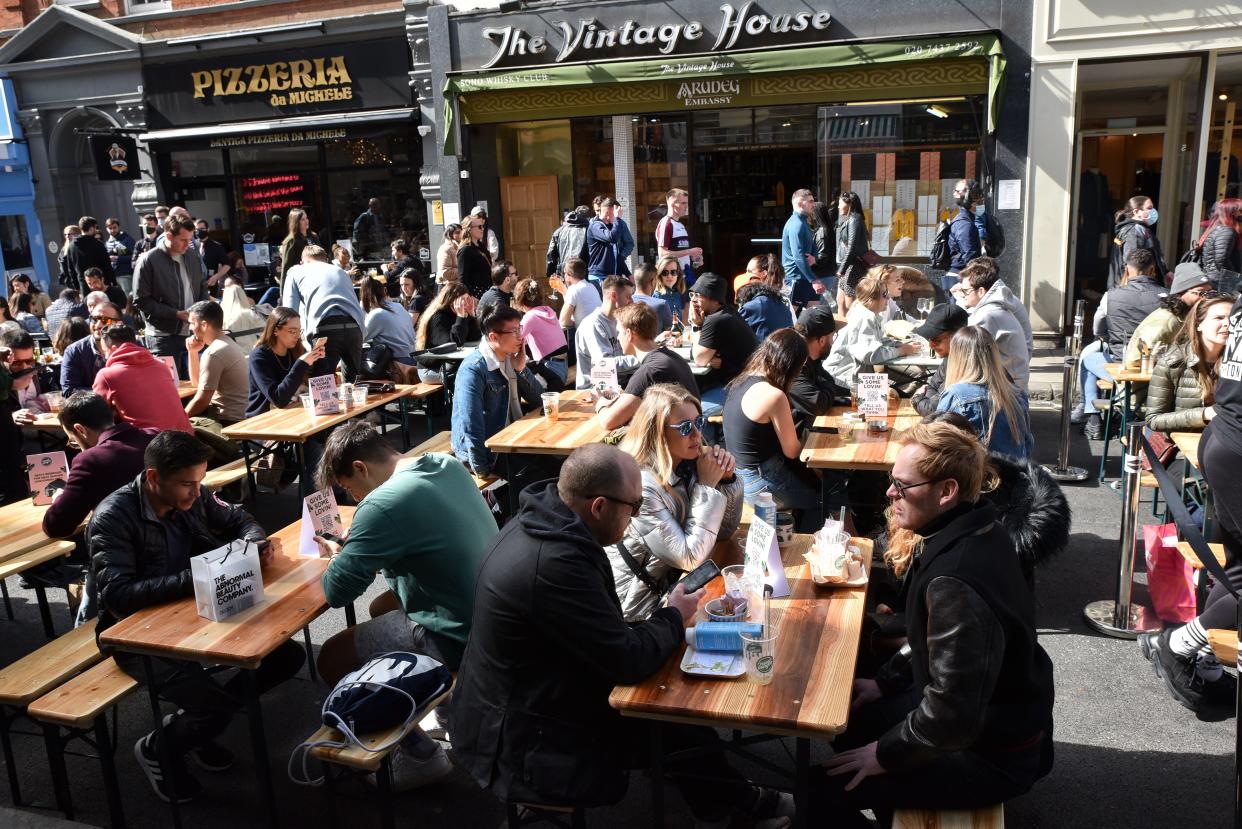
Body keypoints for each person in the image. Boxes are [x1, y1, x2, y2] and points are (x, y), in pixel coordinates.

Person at [451, 443, 793, 826]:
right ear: (598, 506)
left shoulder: (546, 521)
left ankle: (724, 803)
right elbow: (628, 660)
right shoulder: (556, 562)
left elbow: (602, 634)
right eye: (633, 507)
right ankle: (735, 808)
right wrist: (673, 616)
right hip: (520, 734)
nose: (635, 517)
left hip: (517, 694)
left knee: (673, 696)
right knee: (673, 716)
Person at [812, 421, 1054, 825]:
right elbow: (931, 643)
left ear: (946, 491)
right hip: (1000, 722)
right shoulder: (981, 527)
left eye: (903, 486)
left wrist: (885, 754)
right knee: (849, 719)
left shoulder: (954, 581)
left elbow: (950, 716)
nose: (890, 494)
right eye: (892, 481)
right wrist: (885, 683)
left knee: (817, 791)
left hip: (990, 753)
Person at [91, 431, 303, 803]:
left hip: (197, 609)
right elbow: (117, 596)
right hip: (133, 634)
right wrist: (200, 575)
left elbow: (239, 518)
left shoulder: (195, 494)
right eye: (188, 484)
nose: (197, 491)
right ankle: (162, 747)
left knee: (287, 656)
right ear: (154, 478)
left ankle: (197, 730)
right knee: (212, 705)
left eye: (201, 481)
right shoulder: (113, 517)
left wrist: (254, 541)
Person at [311, 422, 497, 787]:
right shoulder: (444, 465)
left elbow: (337, 591)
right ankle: (446, 711)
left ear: (361, 468)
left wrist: (340, 554)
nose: (353, 499)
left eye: (349, 488)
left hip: (457, 632)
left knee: (330, 657)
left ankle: (419, 756)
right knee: (381, 606)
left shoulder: (380, 505)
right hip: (492, 613)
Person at [1141, 286, 1242, 715]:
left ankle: (1183, 645)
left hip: (1222, 448)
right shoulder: (1177, 357)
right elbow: (1152, 417)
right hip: (1216, 452)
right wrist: (1201, 415)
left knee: (1235, 574)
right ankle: (1183, 645)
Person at [608, 383, 742, 621]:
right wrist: (707, 488)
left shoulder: (687, 465)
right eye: (685, 427)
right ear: (658, 431)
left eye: (699, 423)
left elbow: (723, 533)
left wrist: (726, 482)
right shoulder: (642, 486)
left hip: (673, 591)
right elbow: (689, 558)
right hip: (636, 612)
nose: (697, 435)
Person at [725, 329, 829, 531]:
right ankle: (804, 551)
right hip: (761, 481)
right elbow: (792, 450)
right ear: (791, 366)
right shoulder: (774, 395)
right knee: (821, 498)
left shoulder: (739, 381)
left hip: (738, 476)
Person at [1076, 251, 1168, 439]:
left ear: (1127, 269)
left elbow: (1098, 325)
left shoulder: (1112, 295)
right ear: (1152, 270)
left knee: (1087, 360)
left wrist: (1105, 337)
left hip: (1121, 365)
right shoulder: (1167, 296)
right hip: (1155, 368)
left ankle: (1093, 418)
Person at [44, 392, 157, 540]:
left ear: (80, 429)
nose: (76, 445)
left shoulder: (90, 461)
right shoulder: (154, 436)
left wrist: (59, 498)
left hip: (127, 545)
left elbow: (56, 526)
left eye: (73, 441)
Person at [451, 306, 541, 479]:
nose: (520, 336)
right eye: (514, 331)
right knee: (535, 478)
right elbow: (471, 422)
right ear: (493, 337)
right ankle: (495, 502)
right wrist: (481, 467)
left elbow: (538, 399)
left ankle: (497, 498)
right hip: (487, 450)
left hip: (510, 439)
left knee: (558, 466)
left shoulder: (509, 358)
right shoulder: (474, 369)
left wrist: (521, 370)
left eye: (520, 328)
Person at [936, 326, 1034, 461]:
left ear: (956, 359)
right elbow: (1027, 445)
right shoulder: (1016, 393)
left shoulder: (956, 395)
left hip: (977, 479)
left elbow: (937, 446)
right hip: (1015, 477)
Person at [596, 303, 698, 430]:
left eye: (619, 332)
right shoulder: (672, 356)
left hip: (673, 446)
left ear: (629, 333)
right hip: (691, 437)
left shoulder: (649, 372)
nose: (617, 337)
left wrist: (600, 402)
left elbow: (608, 422)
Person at [1144, 293, 1233, 434]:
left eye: (1233, 318)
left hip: (1226, 442)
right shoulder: (1172, 362)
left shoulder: (1236, 362)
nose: (1228, 324)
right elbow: (1153, 420)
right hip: (1181, 447)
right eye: (1219, 318)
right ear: (1199, 324)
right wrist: (1204, 414)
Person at [133, 214, 208, 376]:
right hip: (163, 336)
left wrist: (202, 312)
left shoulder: (192, 255)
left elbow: (202, 286)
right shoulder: (148, 260)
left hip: (192, 330)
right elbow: (141, 301)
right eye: (183, 240)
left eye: (190, 239)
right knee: (170, 385)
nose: (188, 244)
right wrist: (175, 314)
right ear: (168, 236)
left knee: (197, 382)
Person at [281, 244, 366, 383]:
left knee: (323, 385)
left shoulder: (296, 271)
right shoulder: (340, 271)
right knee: (354, 385)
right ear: (325, 259)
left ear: (302, 261)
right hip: (355, 327)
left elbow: (289, 311)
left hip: (325, 328)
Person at [823, 275, 920, 389]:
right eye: (884, 295)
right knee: (897, 395)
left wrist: (898, 345)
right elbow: (871, 355)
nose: (888, 298)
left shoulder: (868, 314)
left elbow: (878, 340)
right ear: (870, 300)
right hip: (843, 381)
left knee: (895, 392)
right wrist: (901, 351)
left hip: (855, 378)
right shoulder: (865, 317)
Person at [93, 325, 192, 434]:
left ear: (113, 349)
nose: (104, 356)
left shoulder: (106, 375)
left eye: (104, 351)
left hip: (151, 445)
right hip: (186, 437)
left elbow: (96, 413)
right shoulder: (162, 365)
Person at [955, 257, 1033, 392]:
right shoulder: (996, 305)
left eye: (965, 291)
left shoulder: (987, 314)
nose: (963, 295)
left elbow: (967, 354)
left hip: (1009, 394)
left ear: (981, 291)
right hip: (1011, 385)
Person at [1123, 255, 1212, 367]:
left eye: (1209, 293)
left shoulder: (1188, 316)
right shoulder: (1167, 321)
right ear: (1180, 293)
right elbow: (1134, 360)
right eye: (1200, 293)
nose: (1205, 299)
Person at [688, 272, 758, 415]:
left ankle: (710, 438)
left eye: (698, 295)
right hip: (744, 380)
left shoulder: (716, 320)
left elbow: (700, 359)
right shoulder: (727, 311)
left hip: (739, 387)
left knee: (695, 413)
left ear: (713, 298)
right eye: (692, 295)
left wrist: (696, 326)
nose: (693, 300)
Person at [245, 306, 325, 417]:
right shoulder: (259, 357)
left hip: (294, 413)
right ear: (276, 330)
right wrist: (301, 364)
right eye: (292, 331)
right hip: (264, 419)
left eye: (299, 330)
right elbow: (279, 399)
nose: (297, 335)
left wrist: (318, 359)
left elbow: (316, 384)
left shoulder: (297, 350)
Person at [184, 300, 248, 431]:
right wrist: (193, 353)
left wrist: (179, 420)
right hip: (238, 417)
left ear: (204, 325)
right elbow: (197, 384)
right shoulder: (225, 343)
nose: (190, 328)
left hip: (227, 421)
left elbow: (202, 401)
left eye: (192, 323)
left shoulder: (214, 352)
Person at [574, 275, 637, 390]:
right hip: (593, 391)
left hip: (614, 386)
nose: (632, 301)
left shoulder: (616, 320)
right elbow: (604, 364)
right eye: (628, 297)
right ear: (614, 295)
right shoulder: (593, 324)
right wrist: (641, 359)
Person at [788, 305, 843, 434]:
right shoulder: (794, 362)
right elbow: (818, 404)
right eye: (832, 337)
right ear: (822, 340)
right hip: (787, 446)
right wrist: (828, 386)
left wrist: (860, 394)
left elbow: (827, 383)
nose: (833, 342)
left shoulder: (811, 358)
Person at [911, 303, 970, 417]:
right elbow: (933, 386)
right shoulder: (951, 356)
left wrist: (917, 398)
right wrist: (927, 401)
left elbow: (934, 411)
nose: (931, 345)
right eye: (929, 338)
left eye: (936, 340)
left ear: (958, 336)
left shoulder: (966, 363)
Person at [513, 278, 568, 388]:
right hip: (562, 368)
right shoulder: (548, 310)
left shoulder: (530, 316)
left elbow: (514, 338)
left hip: (551, 372)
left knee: (515, 372)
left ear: (520, 299)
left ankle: (518, 405)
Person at [60, 300, 123, 395]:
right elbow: (69, 390)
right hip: (93, 407)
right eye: (94, 319)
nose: (98, 325)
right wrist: (106, 394)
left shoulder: (131, 346)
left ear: (119, 323)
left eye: (105, 320)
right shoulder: (74, 351)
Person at [1110, 195, 1170, 290]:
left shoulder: (1140, 229)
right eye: (1149, 208)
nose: (1153, 211)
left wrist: (1166, 272)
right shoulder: (1134, 231)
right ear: (1136, 212)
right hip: (1135, 289)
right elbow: (1134, 264)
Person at [361, 274, 418, 371]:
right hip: (412, 358)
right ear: (384, 291)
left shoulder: (377, 314)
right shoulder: (398, 306)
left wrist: (362, 307)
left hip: (397, 363)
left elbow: (359, 337)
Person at [782, 188, 822, 309]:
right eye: (810, 201)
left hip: (806, 276)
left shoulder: (803, 222)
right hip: (796, 278)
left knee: (814, 315)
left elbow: (812, 246)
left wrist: (814, 258)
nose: (813, 204)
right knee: (791, 318)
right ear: (799, 204)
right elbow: (798, 256)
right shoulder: (796, 224)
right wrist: (813, 280)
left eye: (813, 201)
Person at [656, 188, 703, 286]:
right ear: (673, 205)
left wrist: (695, 258)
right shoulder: (666, 224)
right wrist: (690, 251)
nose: (686, 206)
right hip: (672, 278)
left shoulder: (680, 225)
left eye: (686, 203)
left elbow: (680, 251)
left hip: (684, 275)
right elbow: (662, 253)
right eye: (683, 203)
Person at [943, 181, 983, 294]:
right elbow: (969, 256)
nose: (980, 200)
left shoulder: (969, 219)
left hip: (962, 276)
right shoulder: (964, 224)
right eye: (977, 198)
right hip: (960, 279)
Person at [737, 263, 794, 340]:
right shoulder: (783, 304)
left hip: (764, 350)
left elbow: (735, 335)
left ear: (742, 292)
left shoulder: (750, 308)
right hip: (785, 350)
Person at [835, 191, 870, 312]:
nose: (838, 206)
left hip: (854, 266)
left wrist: (842, 269)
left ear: (849, 204)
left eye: (840, 203)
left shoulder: (855, 219)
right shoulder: (850, 219)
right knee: (840, 301)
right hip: (849, 265)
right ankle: (842, 330)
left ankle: (852, 329)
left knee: (850, 304)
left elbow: (852, 247)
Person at [1199, 198, 1242, 290]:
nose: (1241, 214)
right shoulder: (1226, 231)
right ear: (1231, 212)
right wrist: (1234, 278)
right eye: (1240, 211)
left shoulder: (1218, 229)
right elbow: (1221, 259)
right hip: (1220, 283)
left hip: (1215, 280)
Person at [63, 216, 116, 290]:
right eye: (95, 227)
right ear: (91, 228)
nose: (96, 230)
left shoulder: (71, 246)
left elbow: (71, 270)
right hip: (101, 285)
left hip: (83, 286)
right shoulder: (98, 244)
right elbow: (107, 266)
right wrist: (113, 283)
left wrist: (77, 288)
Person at [587, 197, 632, 279]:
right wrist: (617, 218)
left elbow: (617, 256)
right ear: (607, 213)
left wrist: (628, 274)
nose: (617, 217)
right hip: (599, 276)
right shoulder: (595, 226)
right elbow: (612, 238)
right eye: (615, 214)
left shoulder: (613, 227)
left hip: (612, 276)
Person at [557, 256, 601, 339]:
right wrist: (564, 291)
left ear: (568, 274)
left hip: (587, 337)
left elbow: (563, 321)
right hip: (600, 333)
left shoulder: (573, 289)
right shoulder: (591, 286)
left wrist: (576, 322)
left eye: (564, 273)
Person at [545, 206, 591, 277]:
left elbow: (551, 255)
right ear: (587, 218)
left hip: (564, 272)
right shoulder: (588, 231)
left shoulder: (559, 231)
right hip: (582, 273)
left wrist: (550, 272)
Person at [220, 283, 266, 352]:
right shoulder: (249, 314)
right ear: (243, 296)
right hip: (251, 354)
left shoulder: (221, 318)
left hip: (232, 356)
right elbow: (266, 332)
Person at [457, 214, 492, 298]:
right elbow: (462, 279)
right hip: (476, 294)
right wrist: (470, 296)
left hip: (487, 291)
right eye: (479, 227)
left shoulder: (481, 247)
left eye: (483, 226)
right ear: (469, 229)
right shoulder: (465, 250)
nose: (482, 229)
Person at [631, 263, 673, 333]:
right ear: (653, 281)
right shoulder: (661, 304)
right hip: (654, 343)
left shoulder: (624, 302)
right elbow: (669, 332)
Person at [278, 208, 314, 286]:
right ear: (296, 222)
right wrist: (283, 292)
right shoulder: (291, 241)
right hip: (301, 282)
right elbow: (286, 267)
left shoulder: (313, 237)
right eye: (302, 219)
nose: (306, 221)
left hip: (315, 278)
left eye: (306, 218)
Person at [193, 219, 229, 292]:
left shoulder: (216, 246)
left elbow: (227, 265)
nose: (199, 231)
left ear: (208, 229)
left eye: (202, 229)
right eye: (197, 229)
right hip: (195, 285)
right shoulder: (191, 246)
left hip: (211, 284)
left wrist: (216, 277)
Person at [653, 254, 688, 322]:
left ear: (678, 274)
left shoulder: (678, 293)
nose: (669, 276)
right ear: (659, 274)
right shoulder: (657, 296)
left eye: (673, 272)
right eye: (665, 272)